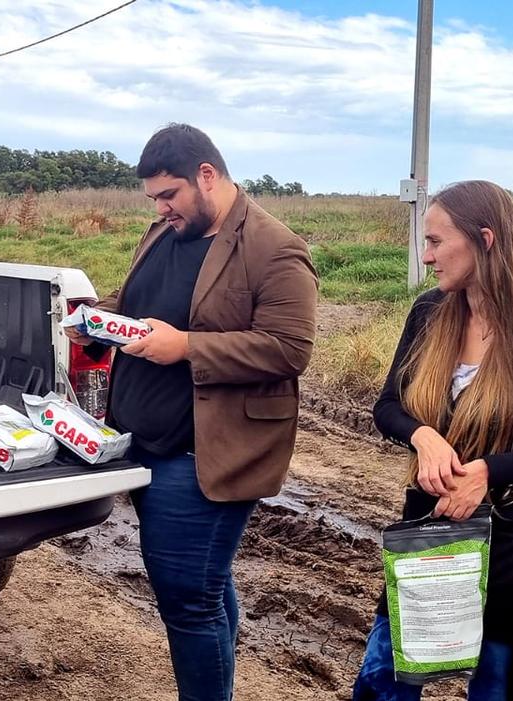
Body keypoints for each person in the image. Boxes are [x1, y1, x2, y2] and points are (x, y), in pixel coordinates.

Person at [66, 123, 318, 700]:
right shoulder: (163, 232)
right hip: (147, 440)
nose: (160, 208)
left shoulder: (274, 247)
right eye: (153, 198)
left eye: (168, 195)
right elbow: (134, 302)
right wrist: (95, 320)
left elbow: (289, 349)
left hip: (205, 454)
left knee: (187, 599)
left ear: (207, 176)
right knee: (204, 587)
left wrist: (186, 347)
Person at [351, 180, 513, 700]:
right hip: (429, 526)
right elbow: (388, 406)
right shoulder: (430, 312)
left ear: (485, 239)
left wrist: (487, 472)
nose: (427, 257)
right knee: (385, 681)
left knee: (496, 687)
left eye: (437, 242)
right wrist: (424, 437)